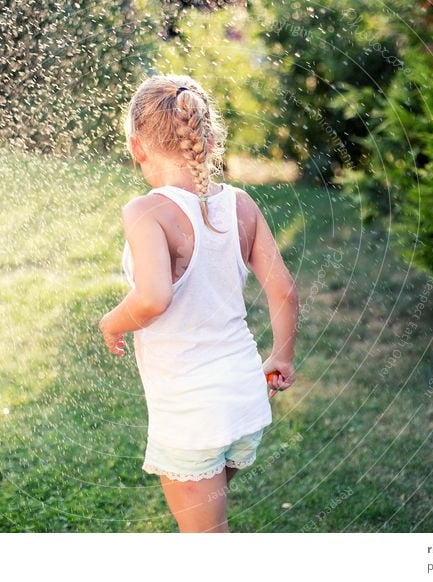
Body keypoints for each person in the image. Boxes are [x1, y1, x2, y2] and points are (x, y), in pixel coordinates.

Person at [99, 74, 299, 533]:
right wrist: (282, 355)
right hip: (244, 398)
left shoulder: (146, 211)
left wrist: (112, 323)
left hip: (192, 412)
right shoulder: (242, 204)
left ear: (137, 146)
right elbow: (284, 289)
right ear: (208, 140)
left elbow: (152, 298)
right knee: (210, 526)